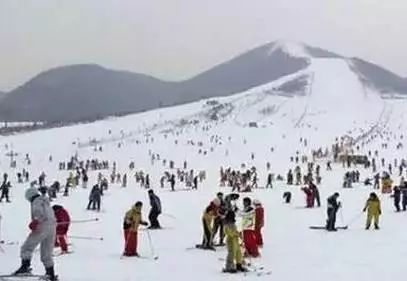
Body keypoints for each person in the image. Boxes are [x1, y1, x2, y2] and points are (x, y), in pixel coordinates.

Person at [14, 187, 57, 281]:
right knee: (46, 252)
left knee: (26, 247)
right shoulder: (46, 202)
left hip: (42, 226)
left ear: (30, 196)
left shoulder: (36, 201)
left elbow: (38, 212)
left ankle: (25, 267)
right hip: (52, 228)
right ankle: (51, 273)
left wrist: (36, 221)